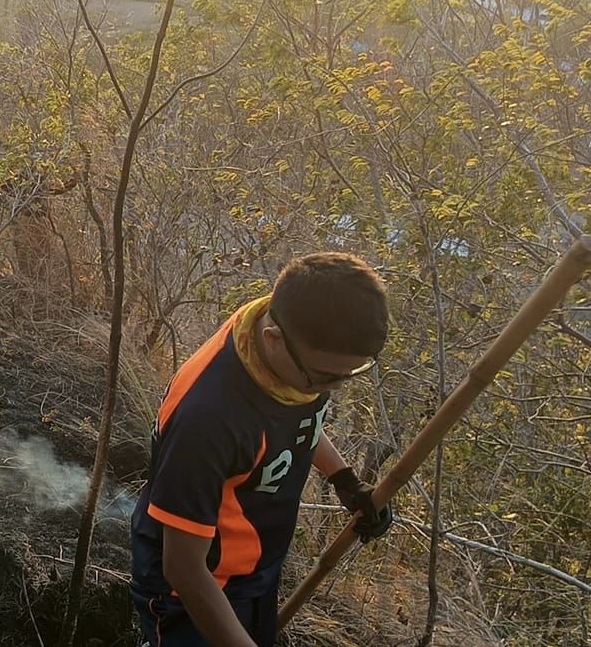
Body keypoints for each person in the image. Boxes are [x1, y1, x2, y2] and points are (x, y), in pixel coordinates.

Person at [130, 253, 396, 647]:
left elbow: (300, 422)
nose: (332, 388)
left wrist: (344, 480)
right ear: (273, 340)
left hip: (255, 567)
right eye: (325, 377)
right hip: (195, 588)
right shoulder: (207, 417)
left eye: (350, 375)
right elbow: (183, 569)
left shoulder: (294, 350)